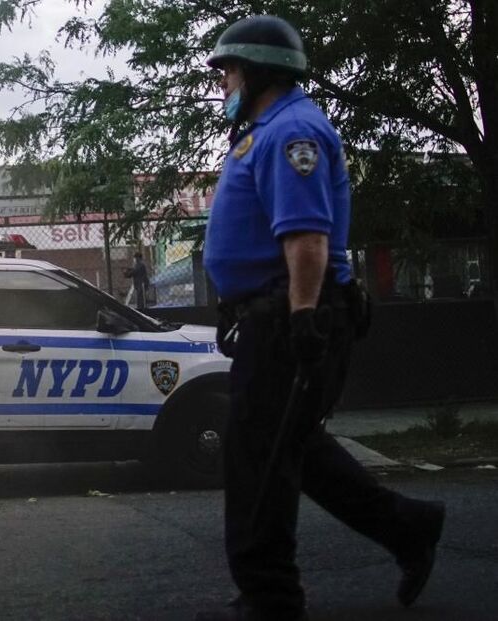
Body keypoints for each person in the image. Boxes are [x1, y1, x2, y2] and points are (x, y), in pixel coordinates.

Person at [198, 16, 445, 621]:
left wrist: (302, 317)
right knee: (294, 445)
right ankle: (408, 527)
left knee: (258, 455)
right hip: (280, 312)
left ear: (260, 72)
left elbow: (306, 236)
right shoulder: (267, 130)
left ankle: (270, 599)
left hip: (290, 315)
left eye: (229, 71)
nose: (223, 83)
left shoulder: (292, 133)